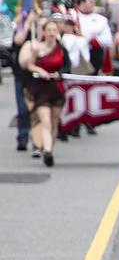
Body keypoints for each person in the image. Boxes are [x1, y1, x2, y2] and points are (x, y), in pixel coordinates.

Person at [17, 16, 68, 167]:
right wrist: (40, 69)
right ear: (44, 32)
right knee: (45, 121)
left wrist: (60, 73)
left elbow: (67, 66)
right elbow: (29, 65)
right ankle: (46, 151)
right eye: (49, 30)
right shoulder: (37, 47)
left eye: (54, 30)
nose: (52, 32)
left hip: (57, 88)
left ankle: (50, 148)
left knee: (54, 122)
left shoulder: (61, 49)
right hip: (41, 88)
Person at [74, 0, 112, 75]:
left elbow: (108, 39)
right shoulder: (73, 17)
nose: (93, 4)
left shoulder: (101, 20)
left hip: (93, 55)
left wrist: (94, 41)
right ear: (82, 2)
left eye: (94, 1)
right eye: (90, 1)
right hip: (76, 54)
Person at [10, 11, 32, 152]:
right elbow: (18, 40)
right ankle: (23, 137)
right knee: (23, 109)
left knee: (36, 109)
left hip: (37, 76)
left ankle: (38, 140)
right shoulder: (19, 28)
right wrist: (26, 23)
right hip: (21, 75)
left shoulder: (41, 26)